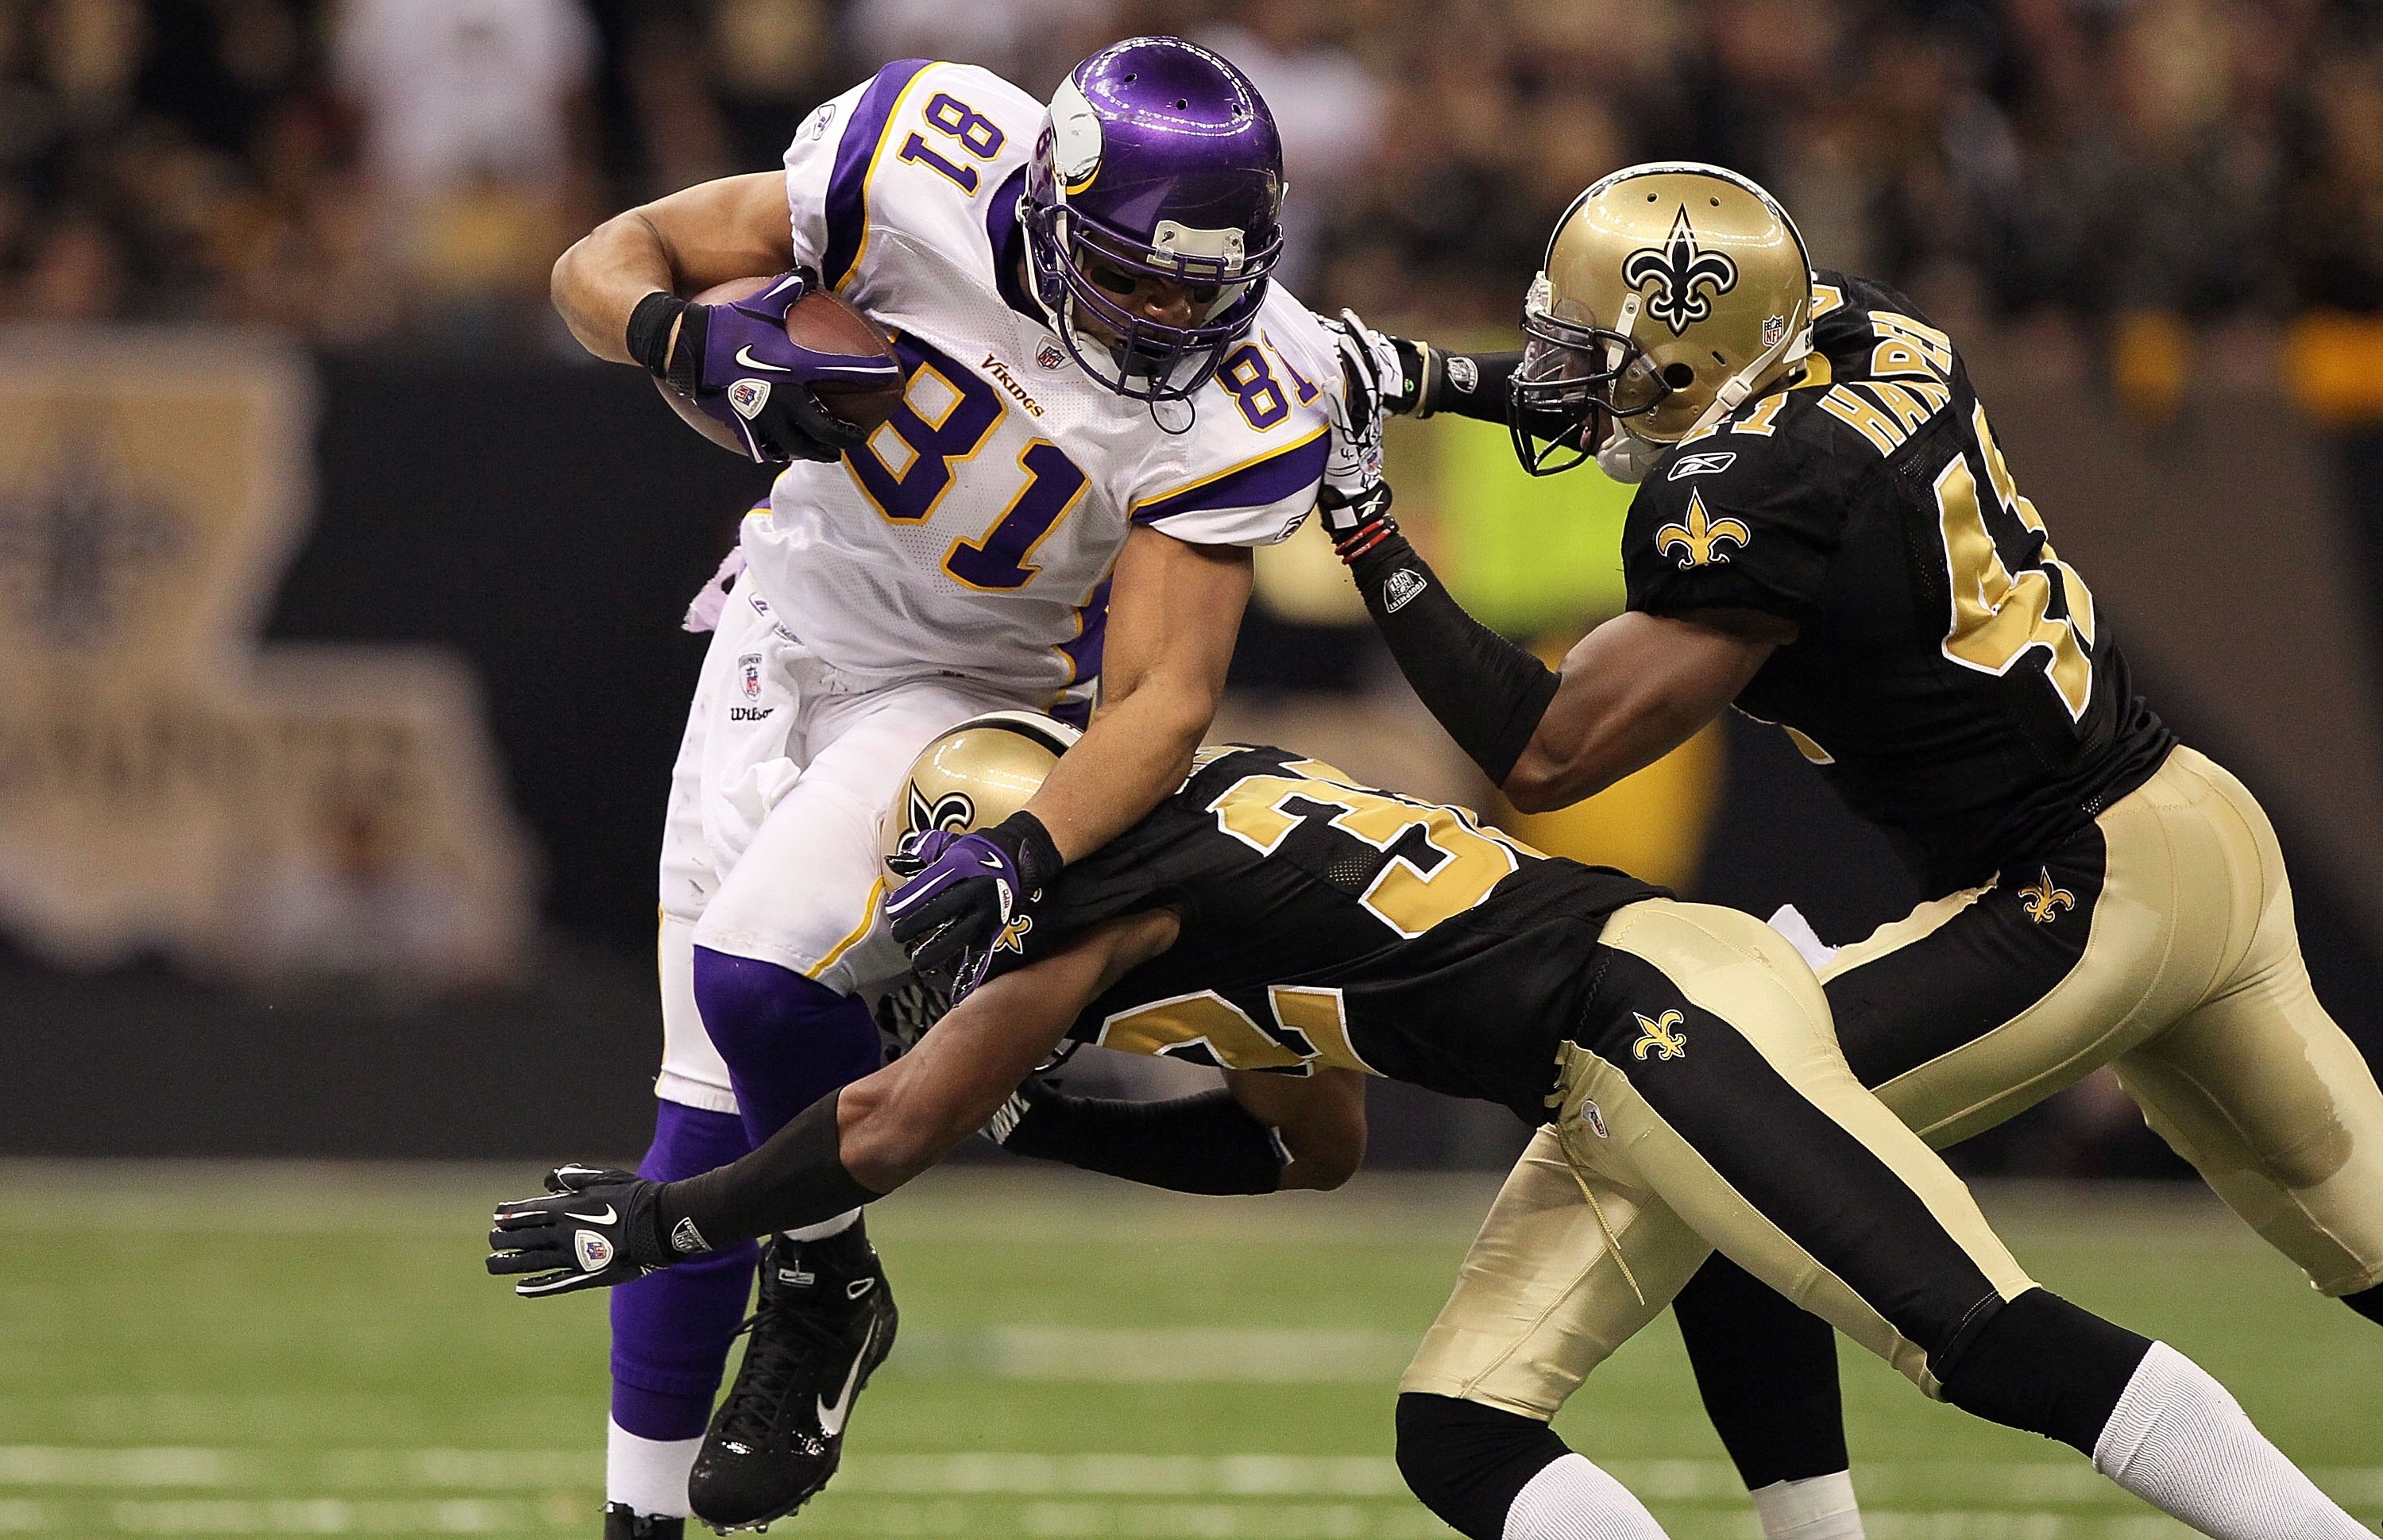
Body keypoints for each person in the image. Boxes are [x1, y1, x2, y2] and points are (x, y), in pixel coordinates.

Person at [487, 720, 2373, 1540]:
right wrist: (1060, 1126)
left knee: (1977, 1332)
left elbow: (891, 1120)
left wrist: (674, 1222)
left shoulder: (1102, 891)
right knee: (1460, 1422)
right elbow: (1307, 1150)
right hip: (1609, 1058)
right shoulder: (1178, 874)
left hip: (1659, 1004)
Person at [1316, 160, 2383, 1540]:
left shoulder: (1757, 486)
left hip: (2078, 888)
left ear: (1690, 351)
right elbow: (1629, 398)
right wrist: (1419, 378)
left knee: (1716, 1102)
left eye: (1597, 357)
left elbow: (1549, 752)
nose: (1569, 383)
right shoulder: (1861, 328)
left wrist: (1368, 525)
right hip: (2191, 830)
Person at [546, 36, 1339, 1535]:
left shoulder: (1247, 386)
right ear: (1049, 207)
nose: (1171, 315)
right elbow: (609, 258)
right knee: (699, 1106)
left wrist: (1026, 854)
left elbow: (1163, 699)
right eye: (1138, 274)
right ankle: (709, 1428)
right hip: (772, 625)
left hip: (966, 698)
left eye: (1201, 284)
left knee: (755, 1006)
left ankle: (818, 1286)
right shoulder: (921, 152)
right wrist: (683, 339)